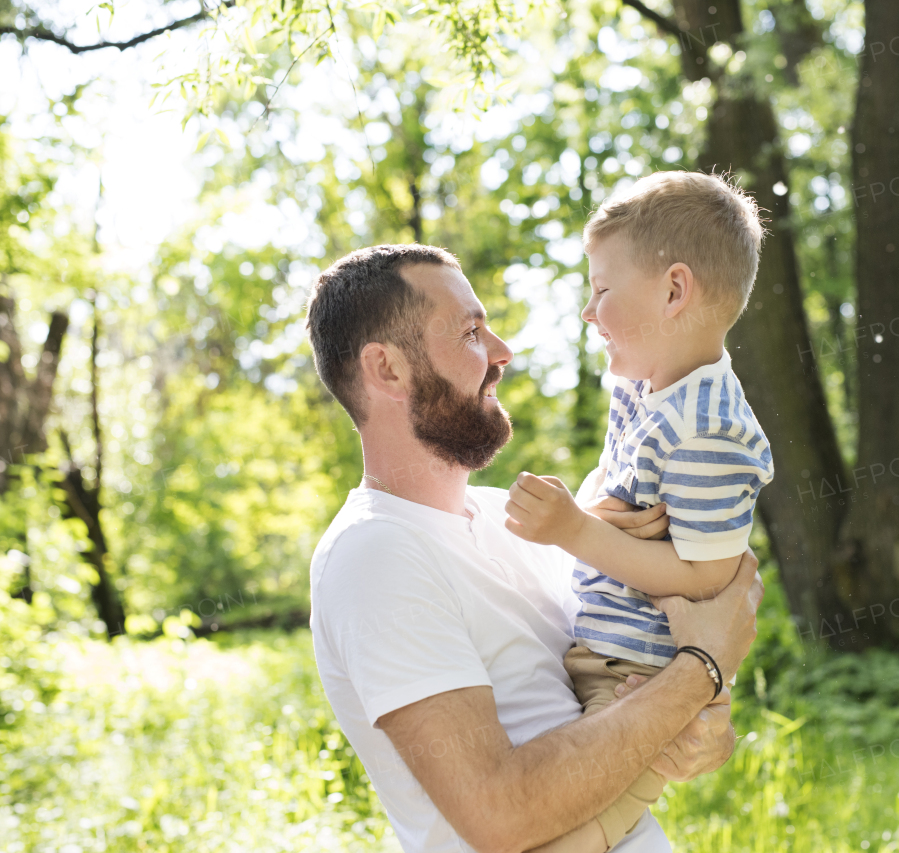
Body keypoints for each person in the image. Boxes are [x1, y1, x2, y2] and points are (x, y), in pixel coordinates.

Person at [304, 243, 764, 853]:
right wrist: (700, 669)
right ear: (388, 369)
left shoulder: (519, 520)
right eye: (470, 333)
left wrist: (705, 721)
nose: (502, 352)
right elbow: (499, 816)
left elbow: (643, 672)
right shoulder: (373, 555)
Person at [503, 172, 775, 851]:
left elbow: (709, 580)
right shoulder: (641, 387)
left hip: (640, 682)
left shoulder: (709, 429)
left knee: (566, 837)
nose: (587, 313)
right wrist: (595, 516)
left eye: (601, 290)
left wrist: (577, 530)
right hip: (601, 650)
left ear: (674, 290)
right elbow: (616, 499)